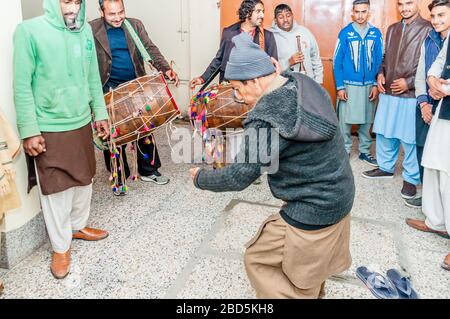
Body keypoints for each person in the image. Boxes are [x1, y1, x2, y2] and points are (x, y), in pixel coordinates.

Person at [190, 33, 355, 299]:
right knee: (312, 268)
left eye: (237, 88)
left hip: (315, 206)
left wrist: (201, 178)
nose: (237, 96)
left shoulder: (266, 117)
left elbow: (239, 176)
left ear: (255, 80)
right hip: (340, 193)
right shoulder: (301, 83)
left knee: (258, 258)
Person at [13, 0, 110, 279]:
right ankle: (60, 247)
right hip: (49, 126)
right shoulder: (28, 31)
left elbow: (92, 76)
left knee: (85, 180)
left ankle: (77, 227)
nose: (74, 8)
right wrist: (29, 130)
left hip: (81, 120)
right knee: (56, 189)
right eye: (67, 1)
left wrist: (100, 113)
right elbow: (21, 85)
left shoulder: (84, 32)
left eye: (78, 1)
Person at [91, 0, 179, 195]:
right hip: (108, 90)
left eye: (120, 12)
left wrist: (165, 69)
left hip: (136, 87)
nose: (117, 17)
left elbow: (149, 48)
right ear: (101, 12)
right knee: (113, 135)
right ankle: (119, 176)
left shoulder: (135, 25)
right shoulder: (91, 29)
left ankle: (149, 170)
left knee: (145, 129)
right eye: (112, 14)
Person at [362, 0, 431, 201]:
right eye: (400, 4)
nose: (404, 8)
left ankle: (411, 178)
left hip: (410, 94)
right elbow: (385, 58)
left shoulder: (428, 28)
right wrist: (381, 74)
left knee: (409, 138)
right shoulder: (392, 28)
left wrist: (409, 83)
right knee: (384, 131)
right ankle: (385, 167)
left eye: (409, 3)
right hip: (389, 90)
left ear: (417, 3)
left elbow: (430, 63)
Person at [406, 0, 450, 271]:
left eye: (441, 15)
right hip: (443, 111)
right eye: (433, 15)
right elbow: (435, 67)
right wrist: (435, 86)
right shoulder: (441, 40)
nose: (435, 20)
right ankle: (436, 221)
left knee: (449, 175)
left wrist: (442, 88)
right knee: (434, 167)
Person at [333, 0, 382, 164]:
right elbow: (337, 62)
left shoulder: (376, 33)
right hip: (348, 85)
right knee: (345, 121)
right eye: (357, 12)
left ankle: (365, 151)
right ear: (352, 13)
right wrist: (340, 86)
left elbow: (378, 61)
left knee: (367, 119)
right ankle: (344, 150)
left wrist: (375, 84)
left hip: (369, 85)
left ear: (369, 12)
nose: (360, 15)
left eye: (364, 11)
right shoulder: (345, 33)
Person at [190, 0, 278, 88]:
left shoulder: (267, 36)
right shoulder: (229, 33)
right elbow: (219, 60)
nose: (262, 15)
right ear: (247, 13)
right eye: (258, 11)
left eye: (263, 12)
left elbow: (273, 67)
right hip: (229, 88)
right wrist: (202, 78)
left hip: (253, 91)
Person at [270, 3, 323, 83]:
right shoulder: (270, 36)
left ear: (292, 16)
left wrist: (318, 82)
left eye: (288, 16)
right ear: (275, 20)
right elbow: (269, 67)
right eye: (281, 17)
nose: (285, 20)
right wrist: (288, 63)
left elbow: (315, 58)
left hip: (308, 83)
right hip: (285, 86)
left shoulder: (305, 32)